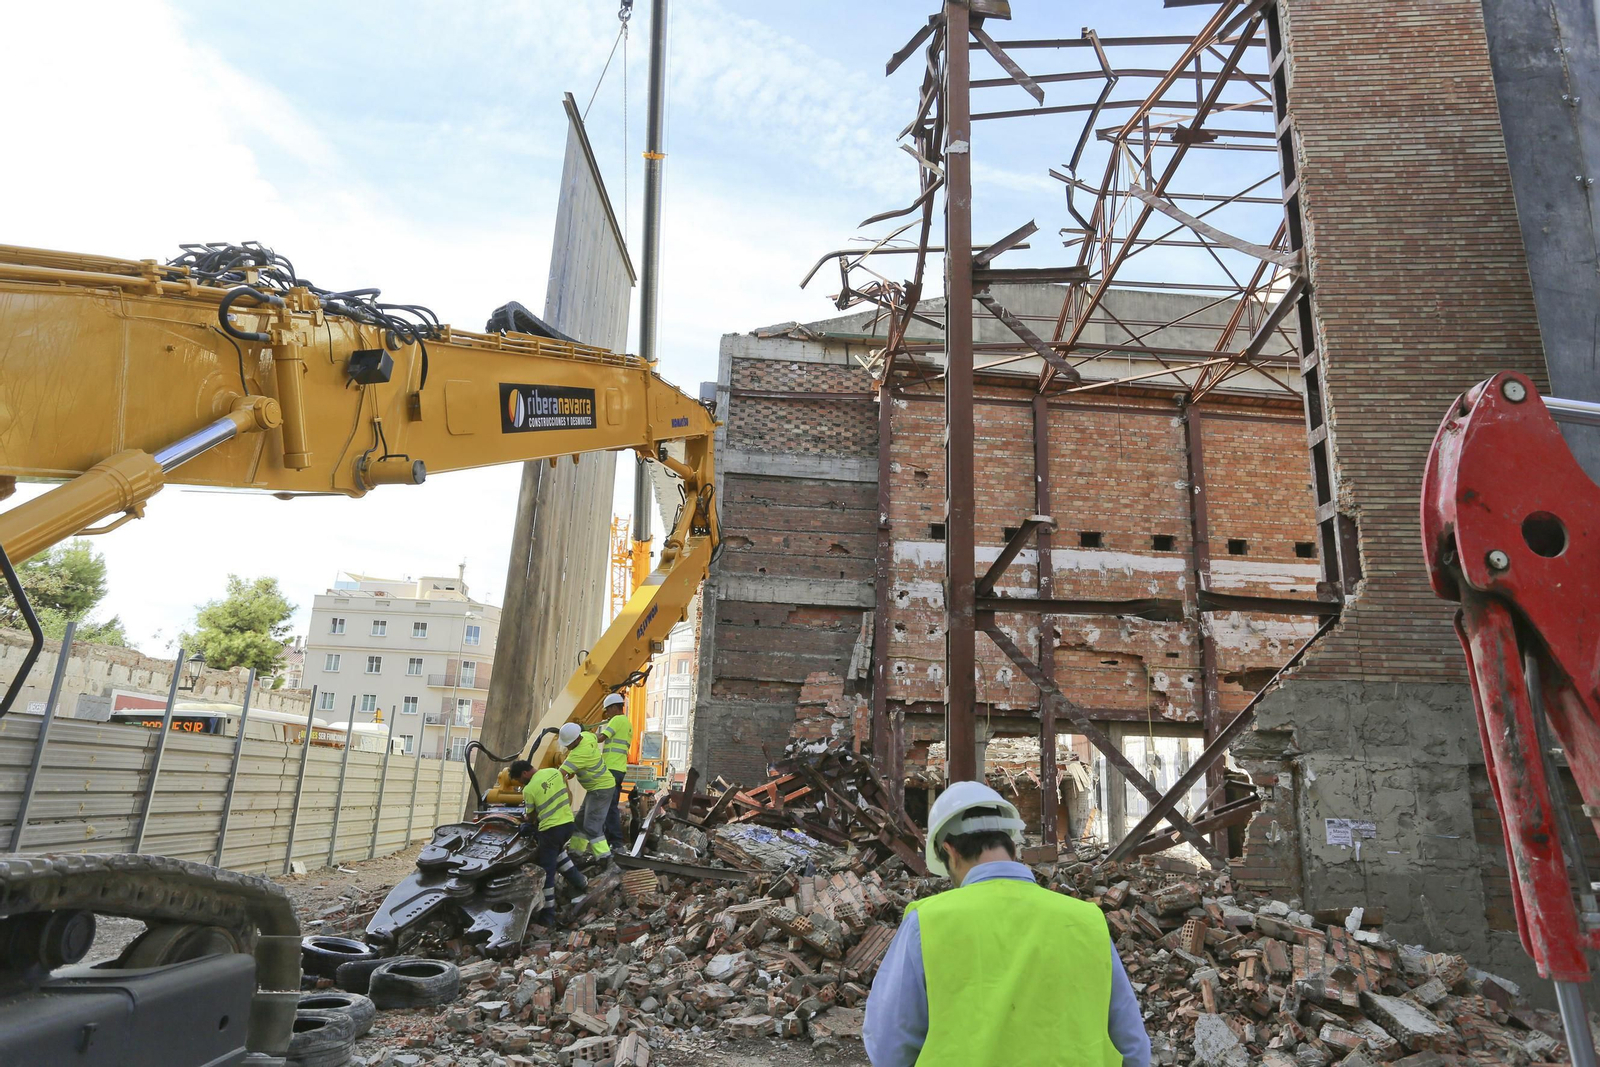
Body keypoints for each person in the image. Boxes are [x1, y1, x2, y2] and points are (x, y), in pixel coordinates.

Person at [863, 781, 1151, 1067]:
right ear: (1013, 847)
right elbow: (1132, 1045)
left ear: (950, 852)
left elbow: (889, 1045)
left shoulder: (925, 923)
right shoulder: (1087, 920)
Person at [509, 758, 588, 927]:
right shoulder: (554, 772)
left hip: (551, 830)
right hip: (568, 825)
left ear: (524, 773)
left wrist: (524, 822)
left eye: (519, 780)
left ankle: (548, 915)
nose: (520, 783)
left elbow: (530, 816)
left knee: (548, 873)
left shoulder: (529, 789)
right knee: (559, 854)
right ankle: (581, 882)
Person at [556, 721, 615, 864]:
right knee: (580, 823)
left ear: (576, 740)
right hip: (598, 787)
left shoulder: (578, 755)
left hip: (600, 790)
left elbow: (559, 775)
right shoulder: (587, 736)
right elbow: (596, 738)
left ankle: (605, 859)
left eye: (568, 744)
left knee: (591, 826)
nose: (567, 746)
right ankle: (575, 853)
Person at [597, 692, 633, 851]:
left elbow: (600, 738)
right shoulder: (627, 723)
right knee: (609, 804)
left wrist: (581, 737)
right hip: (619, 770)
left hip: (611, 769)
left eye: (607, 710)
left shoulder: (617, 720)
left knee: (609, 806)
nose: (607, 714)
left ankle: (616, 842)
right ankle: (608, 838)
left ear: (614, 708)